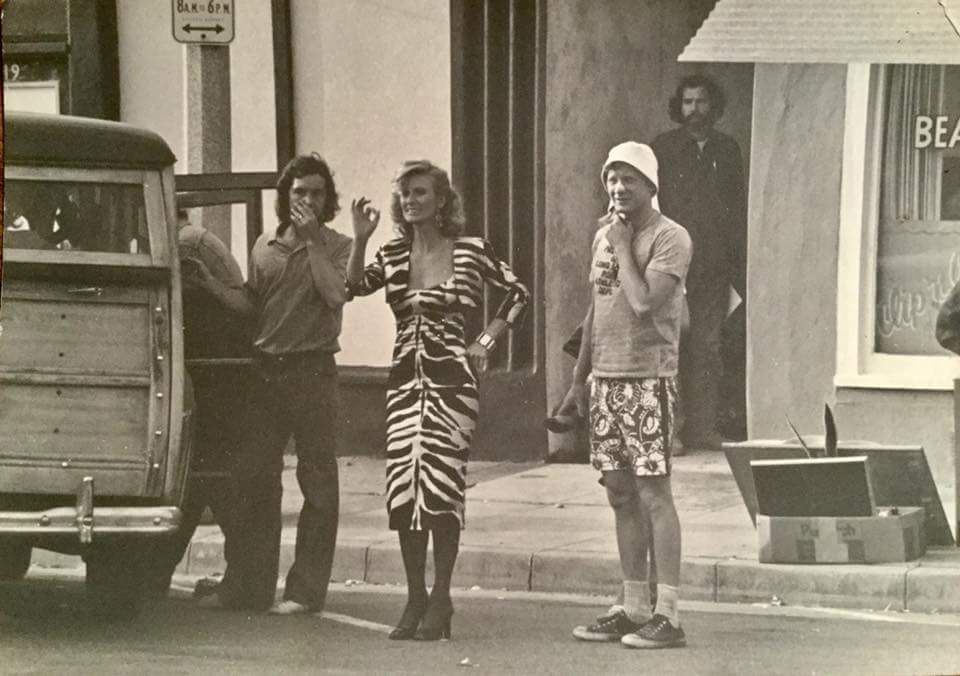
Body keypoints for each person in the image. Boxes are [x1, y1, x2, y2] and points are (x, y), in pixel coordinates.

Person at [346, 160, 529, 640]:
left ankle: (442, 598)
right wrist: (361, 238)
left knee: (443, 487)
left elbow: (517, 293)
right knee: (405, 487)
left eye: (421, 193)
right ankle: (414, 599)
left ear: (442, 200)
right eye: (405, 194)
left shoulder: (470, 249)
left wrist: (486, 342)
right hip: (405, 379)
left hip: (452, 380)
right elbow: (350, 288)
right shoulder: (392, 251)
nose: (411, 201)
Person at [558, 142, 691, 649]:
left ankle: (669, 613)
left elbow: (642, 303)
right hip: (606, 380)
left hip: (649, 378)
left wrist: (617, 241)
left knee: (654, 492)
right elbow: (597, 308)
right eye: (611, 179)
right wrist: (578, 378)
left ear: (650, 185)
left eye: (628, 179)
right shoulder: (606, 237)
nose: (617, 188)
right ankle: (634, 604)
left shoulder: (670, 237)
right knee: (618, 491)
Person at [227, 153, 354, 615]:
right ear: (286, 196)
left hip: (314, 370)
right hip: (266, 371)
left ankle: (304, 592)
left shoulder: (337, 245)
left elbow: (336, 294)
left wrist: (313, 241)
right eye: (299, 192)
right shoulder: (264, 245)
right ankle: (250, 585)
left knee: (318, 482)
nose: (307, 200)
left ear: (328, 200)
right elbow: (253, 305)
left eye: (316, 193)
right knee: (254, 479)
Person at [149, 213, 256, 599]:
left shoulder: (188, 243)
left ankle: (159, 575)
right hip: (215, 375)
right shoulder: (193, 242)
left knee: (201, 480)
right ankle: (242, 578)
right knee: (204, 481)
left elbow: (235, 304)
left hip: (211, 377)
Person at [651, 75, 747, 450]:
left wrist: (735, 265)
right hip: (672, 264)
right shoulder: (664, 148)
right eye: (688, 102)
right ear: (680, 107)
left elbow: (736, 209)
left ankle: (703, 427)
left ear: (714, 106)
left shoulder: (727, 149)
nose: (695, 110)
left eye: (702, 102)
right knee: (669, 344)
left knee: (708, 348)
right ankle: (670, 428)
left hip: (712, 267)